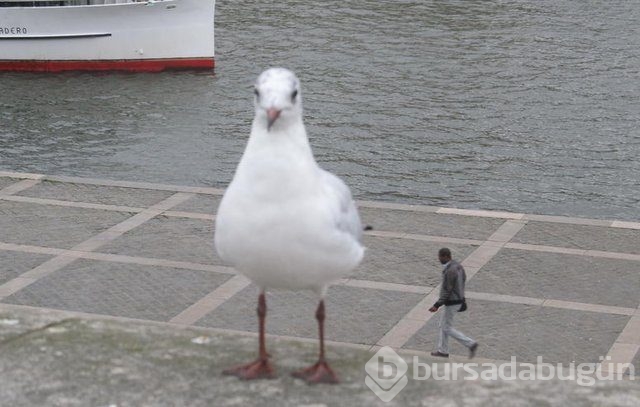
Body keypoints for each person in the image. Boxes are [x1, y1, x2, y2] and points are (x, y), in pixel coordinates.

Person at [428, 248, 479, 359]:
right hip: (458, 299)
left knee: (446, 327)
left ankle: (470, 343)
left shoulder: (450, 270)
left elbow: (447, 289)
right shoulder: (458, 266)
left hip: (452, 301)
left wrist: (437, 304)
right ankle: (443, 351)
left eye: (440, 257)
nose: (439, 259)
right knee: (443, 325)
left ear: (446, 256)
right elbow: (463, 281)